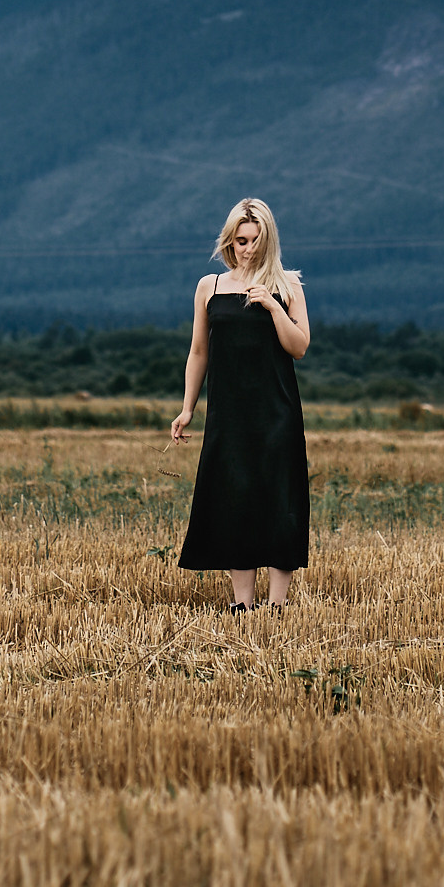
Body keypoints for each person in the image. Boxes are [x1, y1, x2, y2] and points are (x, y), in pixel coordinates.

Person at [171, 196, 311, 613]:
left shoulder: (288, 285)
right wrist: (187, 408)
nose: (246, 248)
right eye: (239, 240)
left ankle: (278, 606)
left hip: (277, 412)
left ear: (268, 240)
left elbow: (299, 347)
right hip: (228, 415)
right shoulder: (209, 287)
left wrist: (271, 305)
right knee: (235, 500)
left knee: (279, 500)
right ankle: (242, 606)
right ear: (228, 241)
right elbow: (199, 353)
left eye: (254, 240)